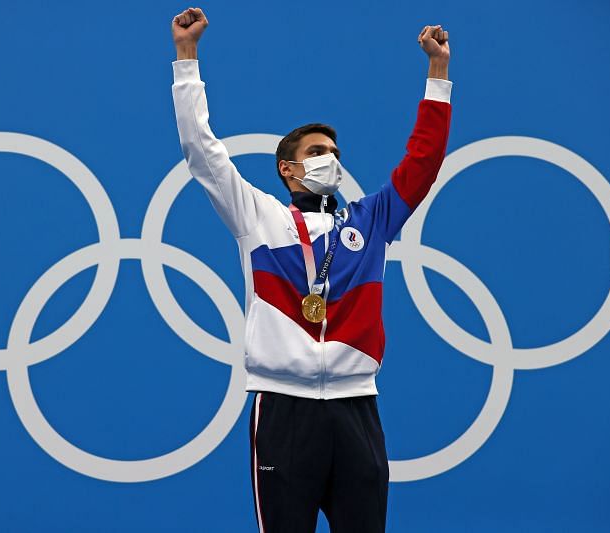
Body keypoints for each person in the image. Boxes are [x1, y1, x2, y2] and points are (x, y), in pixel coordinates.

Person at [171, 7, 452, 532]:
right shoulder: (257, 216)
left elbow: (424, 161)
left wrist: (437, 74)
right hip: (283, 410)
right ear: (288, 168)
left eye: (336, 152)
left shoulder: (370, 220)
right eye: (318, 151)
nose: (332, 159)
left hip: (356, 410)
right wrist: (187, 57)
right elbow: (201, 151)